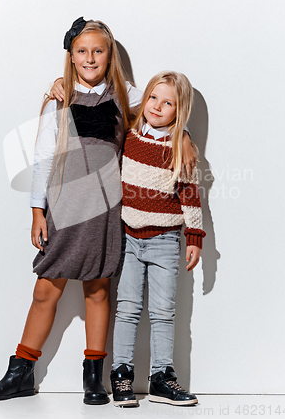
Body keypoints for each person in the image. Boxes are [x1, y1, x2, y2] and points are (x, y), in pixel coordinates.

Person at [0, 18, 197, 405]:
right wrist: (37, 211)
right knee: (46, 289)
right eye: (82, 51)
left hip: (106, 212)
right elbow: (44, 159)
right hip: (65, 209)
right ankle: (21, 371)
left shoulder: (126, 95)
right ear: (71, 56)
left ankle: (94, 377)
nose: (90, 57)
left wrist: (185, 136)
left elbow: (161, 111)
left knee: (98, 291)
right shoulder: (60, 100)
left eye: (98, 50)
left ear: (109, 54)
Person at [109, 71, 206, 407]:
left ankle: (162, 378)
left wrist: (194, 236)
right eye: (153, 98)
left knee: (163, 311)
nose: (158, 106)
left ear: (179, 112)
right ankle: (121, 375)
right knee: (127, 309)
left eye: (168, 103)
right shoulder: (130, 134)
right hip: (129, 238)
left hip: (165, 240)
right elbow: (117, 92)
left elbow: (190, 195)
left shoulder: (182, 149)